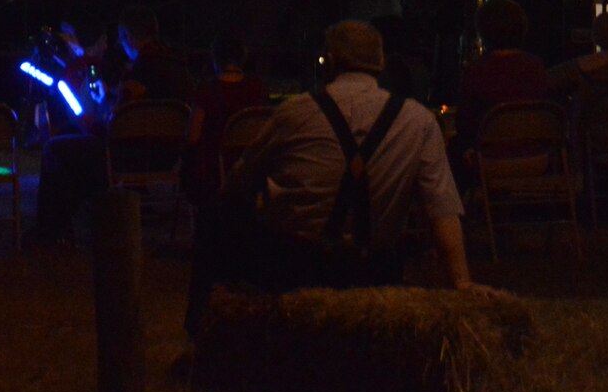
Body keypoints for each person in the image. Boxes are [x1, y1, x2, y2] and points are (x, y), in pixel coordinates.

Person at [185, 20, 478, 336]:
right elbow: (442, 208)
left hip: (297, 265)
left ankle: (203, 335)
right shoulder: (419, 121)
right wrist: (462, 281)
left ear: (330, 61)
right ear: (379, 63)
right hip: (374, 267)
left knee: (215, 214)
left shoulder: (294, 112)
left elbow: (236, 187)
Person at [31, 12, 190, 243]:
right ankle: (68, 222)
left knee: (57, 148)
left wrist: (101, 109)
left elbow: (117, 121)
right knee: (77, 148)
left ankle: (51, 228)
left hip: (129, 155)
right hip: (170, 154)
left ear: (127, 36)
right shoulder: (180, 69)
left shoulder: (141, 72)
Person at [453, 0, 550, 155]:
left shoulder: (477, 71)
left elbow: (464, 125)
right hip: (537, 158)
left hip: (490, 160)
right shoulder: (536, 67)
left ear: (483, 32)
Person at [183, 28, 270, 204]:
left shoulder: (206, 91)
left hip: (214, 169)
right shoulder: (258, 89)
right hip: (251, 165)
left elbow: (192, 137)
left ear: (215, 58)